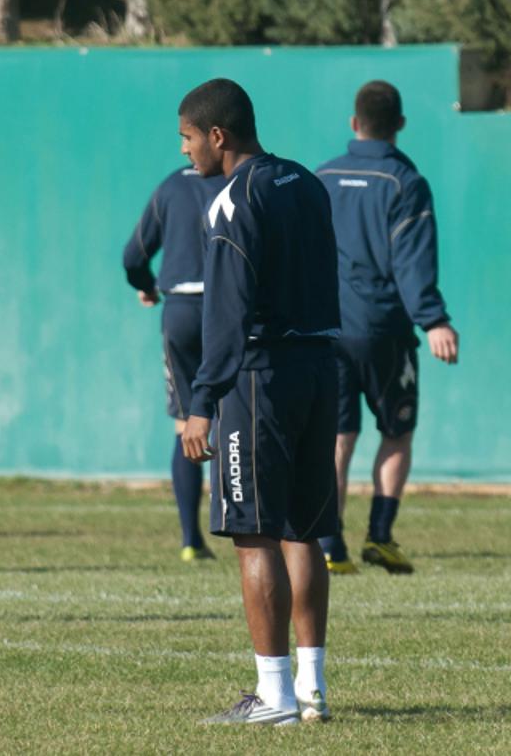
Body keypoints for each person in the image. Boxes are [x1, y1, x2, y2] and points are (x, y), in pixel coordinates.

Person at [177, 79, 339, 725]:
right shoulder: (305, 181)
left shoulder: (230, 200)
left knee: (252, 532)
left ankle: (273, 697)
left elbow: (228, 310)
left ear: (218, 136)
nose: (187, 153)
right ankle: (313, 687)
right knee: (305, 528)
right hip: (319, 367)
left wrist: (202, 397)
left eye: (189, 138)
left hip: (259, 376)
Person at [315, 81, 459, 575]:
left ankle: (331, 544)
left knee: (336, 439)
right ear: (399, 124)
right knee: (397, 431)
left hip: (326, 331)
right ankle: (379, 536)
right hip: (382, 329)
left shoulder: (322, 176)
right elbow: (412, 261)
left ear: (354, 124)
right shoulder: (404, 182)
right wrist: (434, 319)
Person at [122, 165, 226, 562]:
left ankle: (190, 540)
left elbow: (133, 256)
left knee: (187, 421)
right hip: (228, 309)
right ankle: (242, 529)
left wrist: (147, 287)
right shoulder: (241, 180)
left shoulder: (170, 185)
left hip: (181, 310)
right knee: (234, 417)